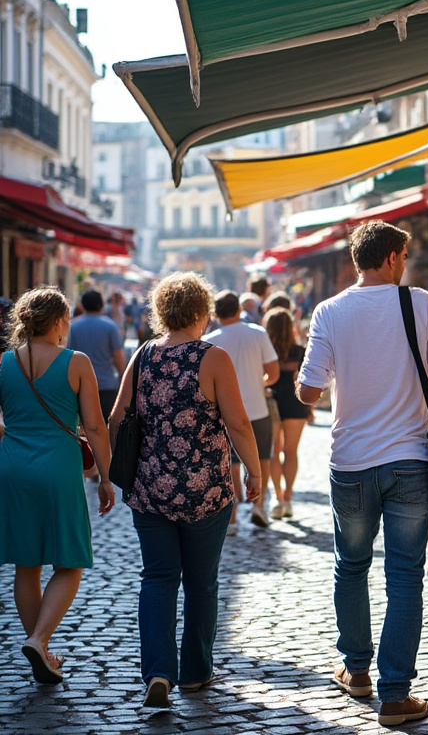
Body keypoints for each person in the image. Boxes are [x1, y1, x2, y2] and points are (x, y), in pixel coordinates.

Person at [296, 220, 428, 727]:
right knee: (406, 575)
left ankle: (356, 671)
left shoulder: (329, 310)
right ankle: (394, 695)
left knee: (351, 564)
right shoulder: (419, 302)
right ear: (391, 257)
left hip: (350, 462)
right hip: (411, 458)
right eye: (404, 256)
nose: (405, 264)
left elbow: (307, 391)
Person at [109, 272, 263, 708]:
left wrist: (116, 470)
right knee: (201, 582)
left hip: (150, 488)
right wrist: (253, 471)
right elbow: (237, 422)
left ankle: (158, 672)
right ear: (201, 312)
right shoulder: (212, 358)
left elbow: (117, 418)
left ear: (161, 312)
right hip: (206, 491)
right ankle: (195, 672)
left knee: (157, 579)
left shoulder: (143, 356)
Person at [0, 287, 114, 685]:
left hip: (12, 465)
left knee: (25, 564)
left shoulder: (3, 363)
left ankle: (42, 651)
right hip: (60, 466)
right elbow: (96, 427)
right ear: (60, 320)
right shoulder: (76, 362)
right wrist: (104, 476)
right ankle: (40, 639)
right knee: (69, 561)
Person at [203, 291, 279, 531]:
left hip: (224, 411)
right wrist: (259, 382)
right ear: (238, 309)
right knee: (262, 458)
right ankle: (259, 506)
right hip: (257, 407)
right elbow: (274, 373)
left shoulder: (209, 340)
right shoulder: (257, 333)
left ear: (215, 313)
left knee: (230, 462)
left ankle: (233, 515)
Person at [264, 307, 309, 519]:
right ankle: (288, 498)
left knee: (275, 451)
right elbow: (307, 379)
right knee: (291, 451)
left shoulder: (265, 350)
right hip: (295, 403)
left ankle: (277, 497)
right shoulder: (299, 351)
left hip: (271, 400)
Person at [66, 290, 126, 421]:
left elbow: (68, 356)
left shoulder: (73, 326)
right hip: (106, 384)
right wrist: (123, 380)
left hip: (80, 386)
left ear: (82, 305)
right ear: (102, 305)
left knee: (83, 428)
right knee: (105, 425)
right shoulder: (110, 326)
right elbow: (119, 358)